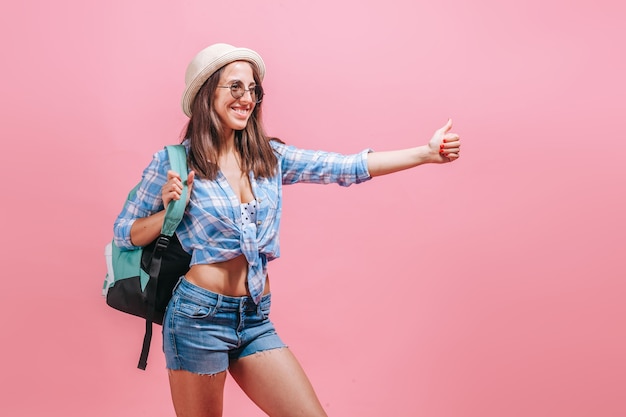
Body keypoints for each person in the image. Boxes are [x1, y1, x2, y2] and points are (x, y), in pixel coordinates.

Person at [113, 43, 461, 417]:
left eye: (253, 89)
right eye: (235, 87)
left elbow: (344, 167)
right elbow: (124, 232)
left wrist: (424, 155)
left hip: (254, 315)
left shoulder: (269, 158)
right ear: (205, 93)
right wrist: (168, 211)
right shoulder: (173, 162)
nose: (247, 98)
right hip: (198, 318)